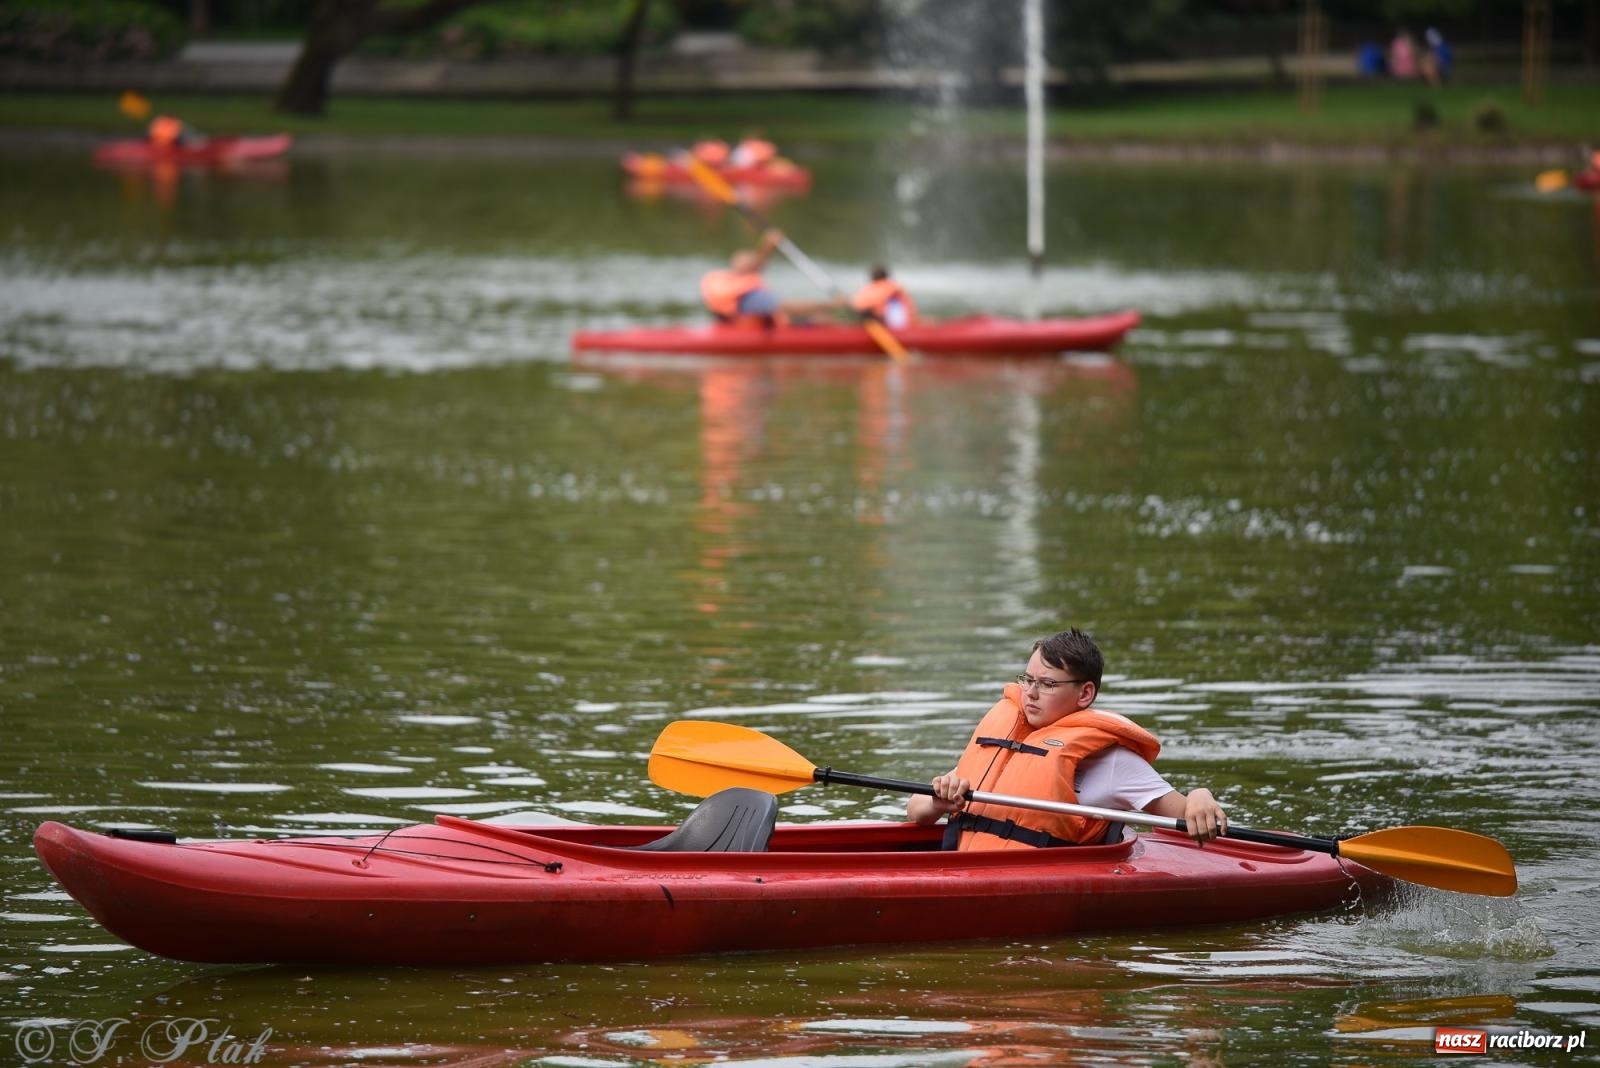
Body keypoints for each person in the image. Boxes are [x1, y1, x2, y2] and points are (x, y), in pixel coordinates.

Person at [908, 629, 1228, 850]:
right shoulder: (1004, 741)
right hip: (967, 868)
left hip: (1043, 877)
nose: (1030, 693)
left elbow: (1191, 819)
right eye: (1027, 680)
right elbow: (916, 811)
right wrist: (938, 802)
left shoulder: (1115, 763)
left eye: (1047, 684)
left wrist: (1199, 795)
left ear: (1085, 693)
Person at [699, 229, 841, 327]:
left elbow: (757, 265)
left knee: (824, 319)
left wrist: (767, 245)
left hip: (765, 324)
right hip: (752, 328)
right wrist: (831, 304)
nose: (747, 262)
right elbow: (787, 307)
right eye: (744, 260)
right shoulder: (747, 294)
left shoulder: (744, 282)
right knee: (823, 317)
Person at [851, 265, 918, 329]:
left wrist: (848, 303)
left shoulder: (888, 287)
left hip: (896, 326)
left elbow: (859, 304)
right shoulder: (892, 286)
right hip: (899, 324)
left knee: (867, 314)